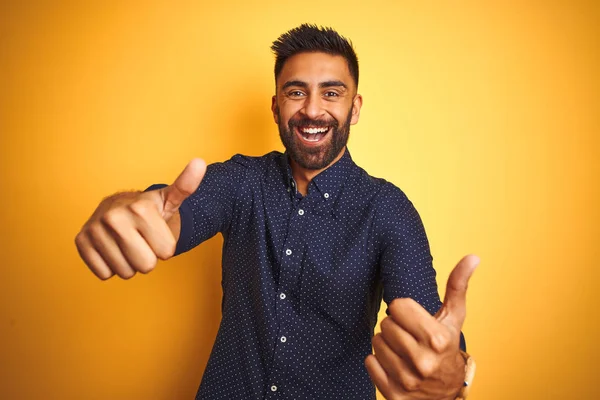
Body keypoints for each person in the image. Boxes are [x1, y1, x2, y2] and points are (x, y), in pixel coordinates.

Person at [75, 24, 477, 400]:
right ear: (275, 106)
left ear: (354, 108)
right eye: (296, 92)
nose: (313, 110)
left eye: (331, 93)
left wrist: (454, 372)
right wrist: (125, 210)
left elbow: (431, 333)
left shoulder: (387, 210)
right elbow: (168, 214)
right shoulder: (240, 180)